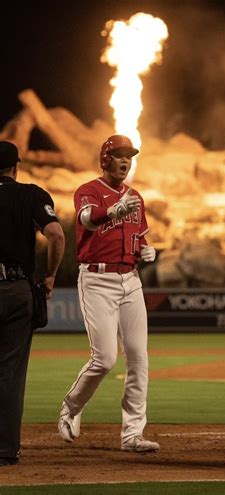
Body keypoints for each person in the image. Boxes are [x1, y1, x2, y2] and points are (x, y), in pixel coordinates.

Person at [58, 135, 159, 453]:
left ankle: (132, 435)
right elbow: (86, 219)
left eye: (129, 155)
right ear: (105, 160)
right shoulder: (88, 190)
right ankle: (71, 409)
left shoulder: (137, 197)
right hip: (97, 280)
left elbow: (138, 238)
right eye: (118, 155)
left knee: (139, 359)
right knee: (104, 359)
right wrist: (113, 211)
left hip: (131, 280)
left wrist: (147, 250)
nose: (125, 160)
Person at [0, 141, 65, 466]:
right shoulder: (31, 194)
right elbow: (56, 235)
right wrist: (50, 275)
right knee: (10, 372)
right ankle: (5, 450)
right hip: (15, 288)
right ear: (16, 166)